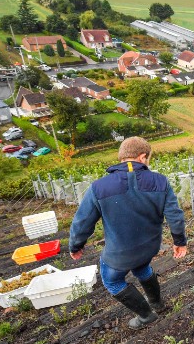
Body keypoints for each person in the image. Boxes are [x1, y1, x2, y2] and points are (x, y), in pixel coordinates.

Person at [69, 136, 187, 329]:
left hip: (119, 254)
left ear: (122, 157)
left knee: (112, 280)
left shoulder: (99, 187)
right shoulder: (160, 182)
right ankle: (157, 303)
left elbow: (82, 221)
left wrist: (76, 245)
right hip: (149, 247)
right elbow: (175, 215)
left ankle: (146, 315)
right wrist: (179, 241)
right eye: (148, 159)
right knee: (142, 268)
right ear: (142, 157)